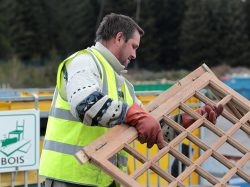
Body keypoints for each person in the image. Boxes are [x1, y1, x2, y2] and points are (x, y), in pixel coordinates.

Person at [39, 13, 223, 187]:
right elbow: (85, 104)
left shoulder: (124, 86)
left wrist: (187, 120)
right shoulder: (84, 62)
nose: (134, 55)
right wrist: (134, 115)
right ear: (119, 38)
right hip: (70, 178)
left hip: (105, 179)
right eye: (134, 46)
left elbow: (152, 126)